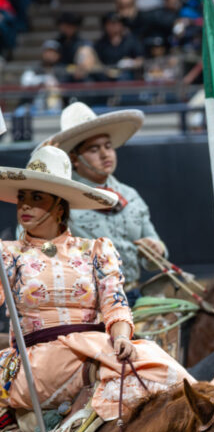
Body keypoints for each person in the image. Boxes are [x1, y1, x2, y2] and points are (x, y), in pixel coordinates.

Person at [0, 146, 189, 424]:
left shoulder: (95, 250)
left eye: (37, 197)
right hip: (38, 364)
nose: (25, 205)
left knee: (155, 358)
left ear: (59, 204)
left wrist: (122, 337)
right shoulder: (8, 254)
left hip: (95, 347)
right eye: (22, 197)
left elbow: (116, 305)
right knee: (106, 362)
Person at [35, 103, 165, 293]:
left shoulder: (130, 195)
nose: (105, 154)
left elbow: (153, 258)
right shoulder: (59, 200)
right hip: (84, 304)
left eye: (108, 146)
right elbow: (33, 244)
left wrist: (156, 249)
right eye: (94, 150)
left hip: (133, 296)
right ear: (74, 159)